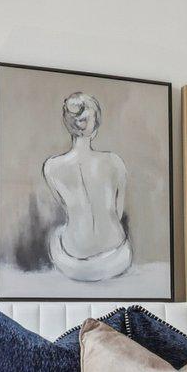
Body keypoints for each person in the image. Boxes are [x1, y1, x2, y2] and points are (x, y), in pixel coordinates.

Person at [44, 92, 132, 282]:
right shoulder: (115, 162)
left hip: (75, 264)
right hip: (118, 257)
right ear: (95, 126)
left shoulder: (51, 167)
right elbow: (117, 213)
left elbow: (66, 207)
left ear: (69, 125)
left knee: (57, 234)